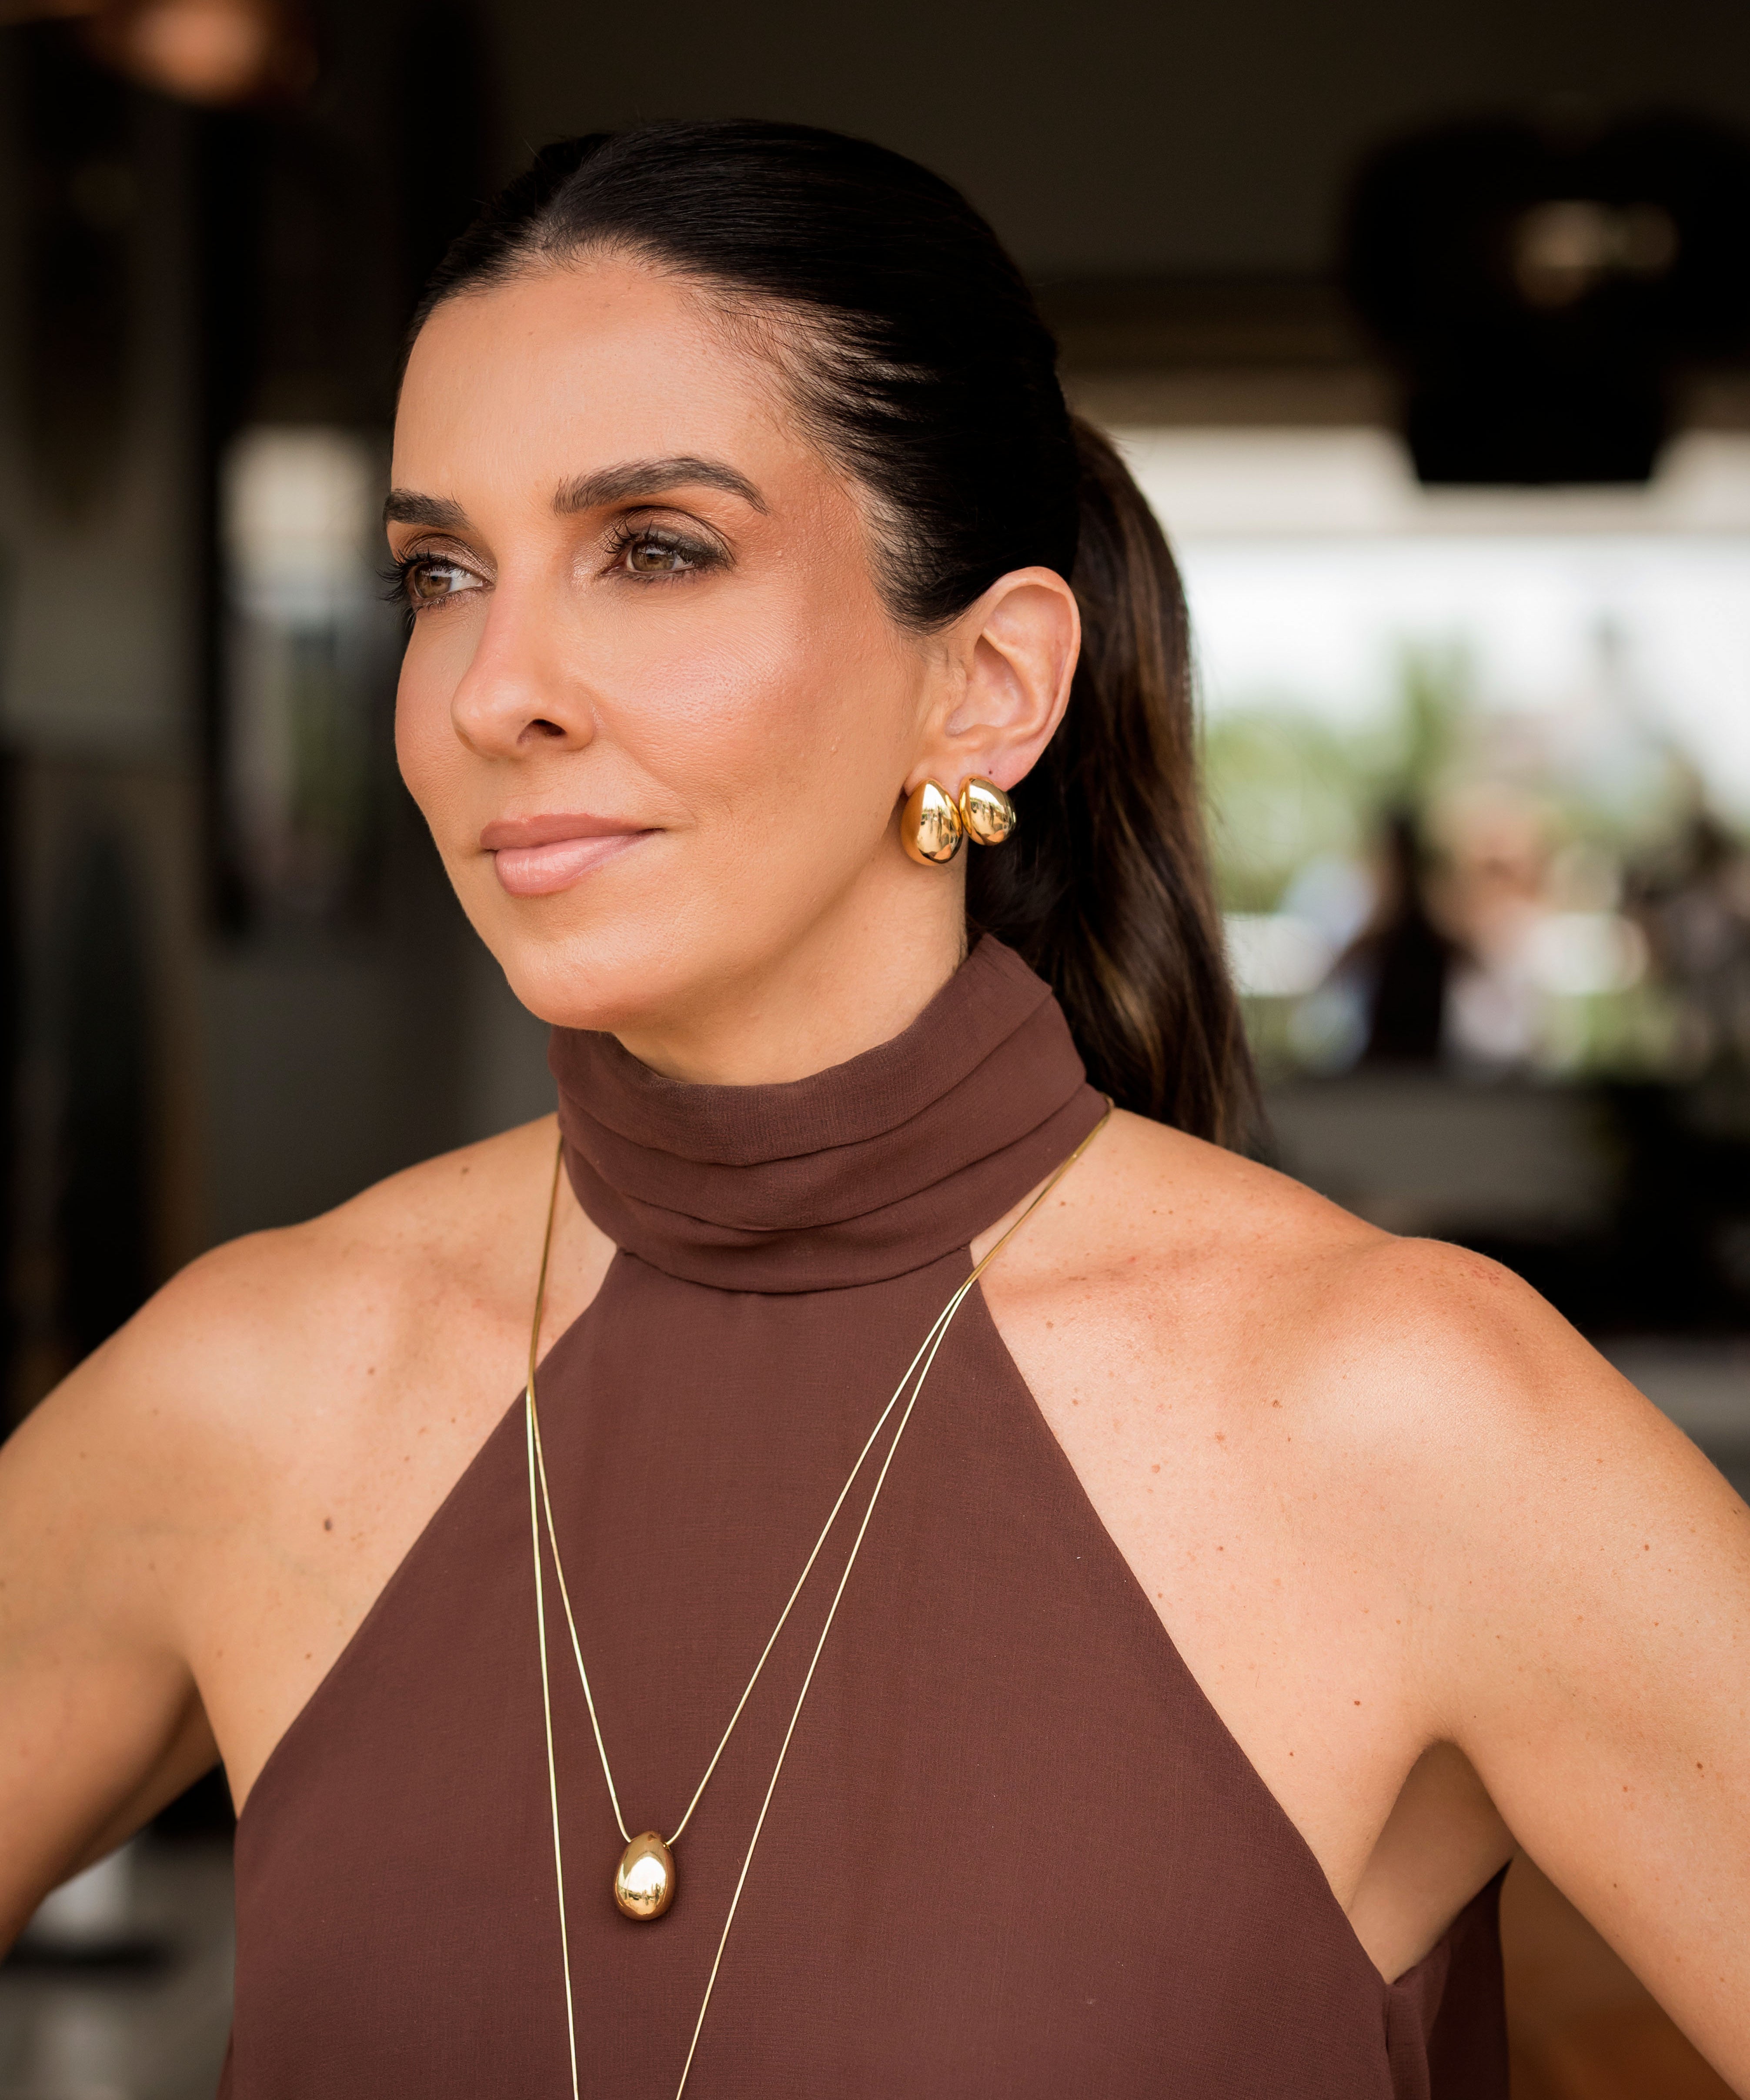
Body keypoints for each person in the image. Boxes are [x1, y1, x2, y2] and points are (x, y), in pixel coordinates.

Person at [2, 121, 1746, 2100]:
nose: (493, 689)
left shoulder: (1410, 1422)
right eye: (440, 573)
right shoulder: (253, 1390)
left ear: (986, 683)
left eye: (654, 548)